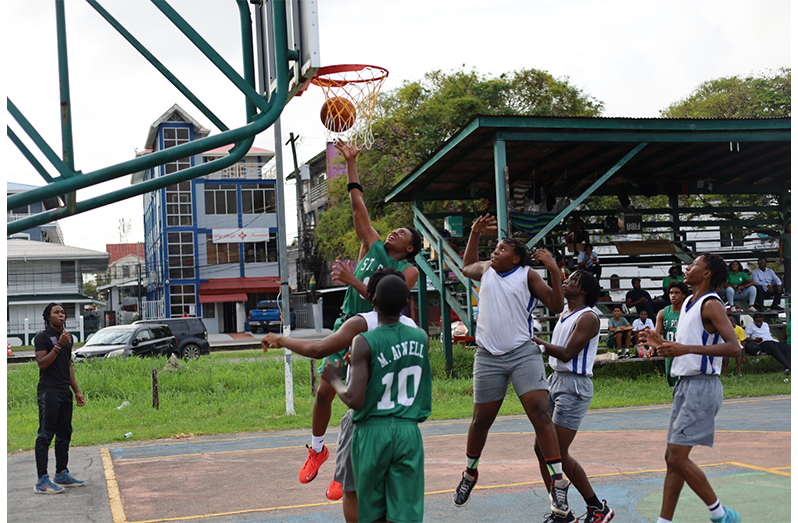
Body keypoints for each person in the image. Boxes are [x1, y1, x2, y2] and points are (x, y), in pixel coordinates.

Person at [300, 141, 422, 493]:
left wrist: (354, 280)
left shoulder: (408, 270)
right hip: (348, 323)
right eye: (394, 230)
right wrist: (351, 164)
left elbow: (390, 301)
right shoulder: (374, 245)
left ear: (410, 248)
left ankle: (346, 473)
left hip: (378, 333)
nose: (394, 232)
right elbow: (358, 207)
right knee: (325, 391)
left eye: (401, 233)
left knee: (361, 404)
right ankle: (317, 450)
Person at [262, 269, 415, 521]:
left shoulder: (362, 322)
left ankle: (320, 451)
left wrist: (282, 340)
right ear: (404, 298)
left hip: (366, 424)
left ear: (371, 298)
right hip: (402, 426)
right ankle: (318, 451)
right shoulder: (414, 330)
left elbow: (318, 349)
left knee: (353, 492)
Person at [453, 214, 571, 518]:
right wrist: (475, 234)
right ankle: (470, 473)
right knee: (481, 420)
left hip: (522, 353)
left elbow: (556, 306)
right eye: (494, 248)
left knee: (540, 413)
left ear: (516, 257)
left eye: (502, 249)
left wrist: (554, 272)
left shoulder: (528, 275)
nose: (495, 252)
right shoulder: (487, 270)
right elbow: (466, 267)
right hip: (488, 356)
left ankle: (558, 481)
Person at [320, 273, 432, 523]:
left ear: (372, 302)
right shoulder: (421, 337)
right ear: (406, 302)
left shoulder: (364, 340)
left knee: (370, 508)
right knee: (405, 510)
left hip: (372, 429)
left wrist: (335, 378)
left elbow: (354, 399)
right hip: (407, 430)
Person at [640, 253, 742, 523]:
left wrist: (686, 348)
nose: (688, 267)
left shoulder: (711, 304)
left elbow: (734, 348)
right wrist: (658, 343)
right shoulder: (687, 303)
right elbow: (681, 349)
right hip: (685, 386)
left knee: (676, 457)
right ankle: (665, 521)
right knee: (672, 458)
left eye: (695, 264)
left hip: (702, 386)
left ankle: (722, 515)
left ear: (707, 273)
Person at [532, 270, 615, 523]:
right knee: (542, 448)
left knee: (557, 452)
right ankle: (562, 510)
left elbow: (567, 353)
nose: (566, 283)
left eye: (572, 280)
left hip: (574, 386)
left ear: (585, 291)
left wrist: (537, 342)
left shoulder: (588, 317)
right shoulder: (565, 313)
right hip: (555, 380)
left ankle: (597, 507)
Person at [33, 303, 86, 494]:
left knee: (65, 432)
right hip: (49, 391)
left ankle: (61, 473)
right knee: (46, 434)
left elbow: (68, 366)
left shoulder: (67, 338)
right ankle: (42, 480)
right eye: (56, 312)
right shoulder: (42, 337)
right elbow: (42, 364)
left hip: (64, 391)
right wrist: (58, 345)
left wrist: (77, 391)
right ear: (48, 317)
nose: (61, 315)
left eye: (63, 312)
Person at [650, 282, 690, 386]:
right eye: (671, 293)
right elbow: (656, 335)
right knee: (674, 385)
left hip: (683, 352)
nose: (673, 295)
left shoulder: (688, 312)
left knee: (684, 384)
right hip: (669, 352)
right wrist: (651, 348)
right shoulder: (663, 313)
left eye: (677, 293)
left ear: (683, 295)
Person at [779, 221, 791, 294]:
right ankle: (787, 290)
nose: (790, 228)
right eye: (788, 226)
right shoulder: (783, 236)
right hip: (786, 256)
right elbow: (781, 247)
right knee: (788, 273)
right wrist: (781, 257)